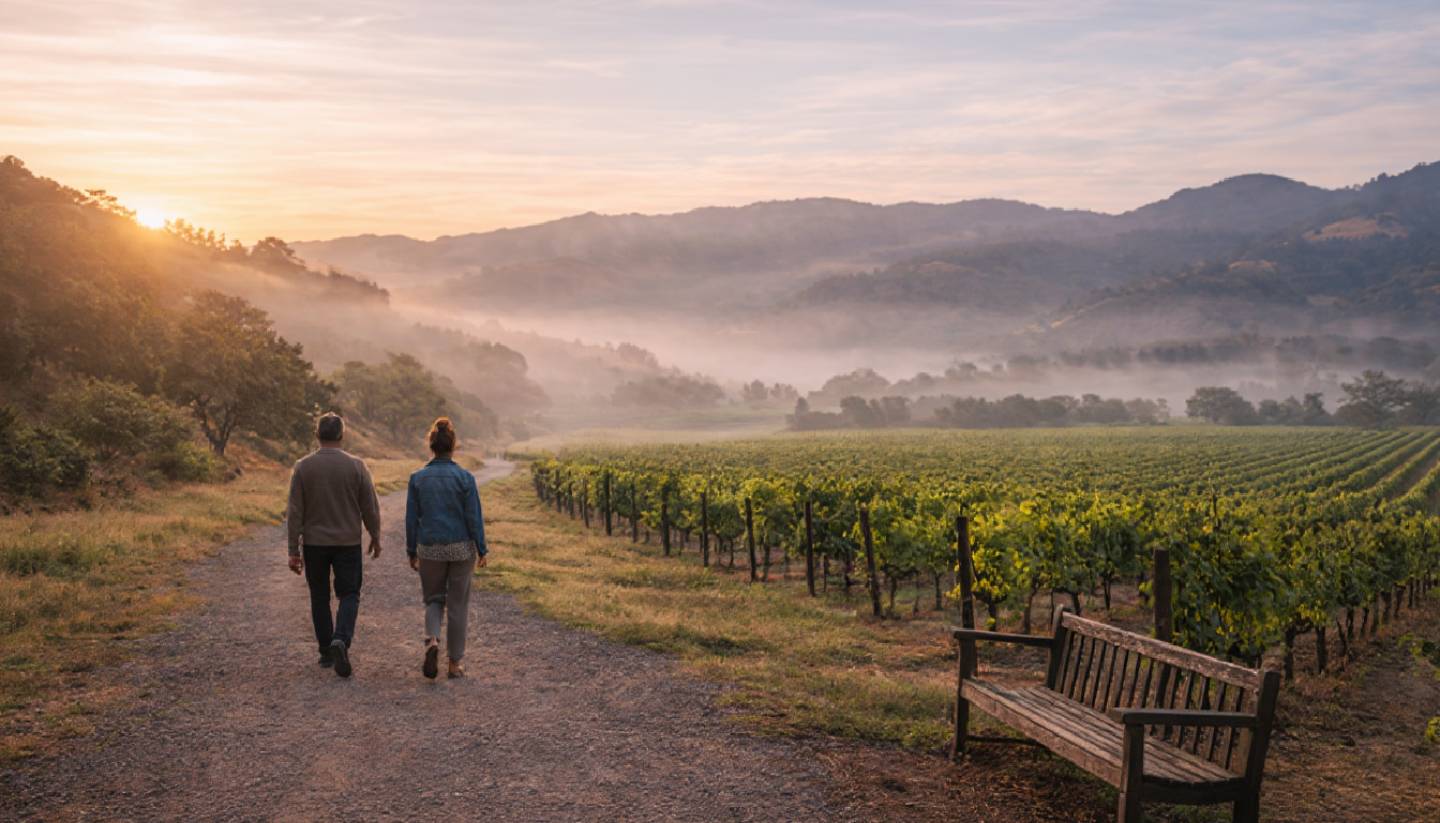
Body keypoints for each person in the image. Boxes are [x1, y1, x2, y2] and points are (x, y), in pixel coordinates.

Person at [286, 412, 381, 678]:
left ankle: (326, 652)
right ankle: (341, 639)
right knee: (349, 593)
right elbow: (369, 506)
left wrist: (293, 551)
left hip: (314, 544)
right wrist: (375, 535)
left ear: (317, 435)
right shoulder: (357, 466)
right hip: (348, 542)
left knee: (319, 596)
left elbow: (295, 511)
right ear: (342, 435)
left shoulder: (303, 467)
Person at [405, 417, 488, 679]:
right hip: (461, 548)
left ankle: (431, 639)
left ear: (431, 445)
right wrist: (482, 548)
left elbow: (411, 518)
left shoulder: (417, 478)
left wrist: (411, 550)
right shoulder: (465, 478)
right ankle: (454, 664)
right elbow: (473, 516)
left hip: (430, 548)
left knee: (433, 599)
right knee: (457, 604)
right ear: (453, 446)